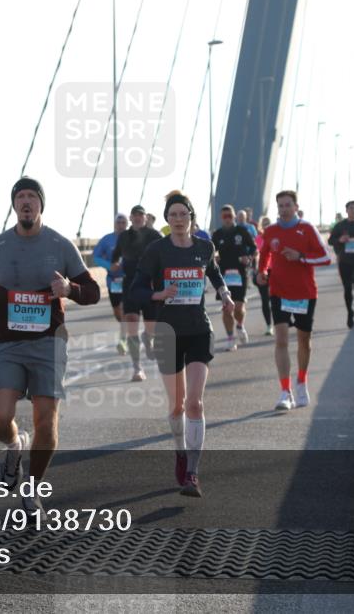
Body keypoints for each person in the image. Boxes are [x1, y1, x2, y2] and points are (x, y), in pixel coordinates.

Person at [0, 177, 101, 517]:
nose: (26, 202)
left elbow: (92, 292)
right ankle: (15, 444)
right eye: (21, 197)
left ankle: (32, 489)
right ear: (14, 205)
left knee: (46, 421)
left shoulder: (60, 245)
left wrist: (69, 289)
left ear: (41, 205)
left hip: (48, 343)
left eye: (32, 197)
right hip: (9, 344)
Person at [130, 191, 234, 497]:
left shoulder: (205, 246)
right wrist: (158, 295)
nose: (178, 220)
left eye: (183, 214)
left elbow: (214, 274)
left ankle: (192, 472)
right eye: (172, 215)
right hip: (168, 333)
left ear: (191, 217)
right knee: (176, 405)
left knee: (194, 403)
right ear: (166, 219)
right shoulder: (156, 250)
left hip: (199, 329)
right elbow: (136, 289)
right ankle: (179, 449)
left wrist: (224, 293)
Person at [256, 191, 331, 410]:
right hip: (278, 291)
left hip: (304, 293)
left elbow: (326, 257)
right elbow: (264, 254)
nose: (284, 209)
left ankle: (301, 381)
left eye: (288, 205)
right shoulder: (270, 231)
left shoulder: (307, 229)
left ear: (296, 206)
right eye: (280, 206)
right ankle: (285, 391)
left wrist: (301, 257)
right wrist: (261, 273)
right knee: (281, 341)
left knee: (304, 341)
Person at [111, 205, 163, 381]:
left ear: (145, 218)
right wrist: (115, 264)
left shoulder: (154, 236)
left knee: (151, 327)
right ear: (131, 218)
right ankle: (137, 368)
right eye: (136, 215)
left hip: (150, 286)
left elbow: (165, 255)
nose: (139, 218)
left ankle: (148, 339)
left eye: (142, 215)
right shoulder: (124, 236)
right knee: (132, 321)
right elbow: (115, 255)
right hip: (131, 286)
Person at [211, 204, 256, 350]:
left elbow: (254, 248)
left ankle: (240, 325)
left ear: (234, 216)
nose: (227, 219)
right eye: (224, 216)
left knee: (238, 307)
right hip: (223, 275)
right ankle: (230, 338)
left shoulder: (242, 231)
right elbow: (210, 253)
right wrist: (214, 258)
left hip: (240, 273)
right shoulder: (217, 234)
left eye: (230, 216)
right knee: (226, 309)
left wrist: (248, 258)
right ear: (221, 218)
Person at [328, 201, 354, 329]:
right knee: (347, 289)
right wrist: (340, 240)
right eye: (351, 208)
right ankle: (349, 313)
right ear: (346, 210)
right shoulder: (340, 226)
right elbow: (330, 240)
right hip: (345, 261)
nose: (353, 210)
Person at [93, 213, 129, 354]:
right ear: (114, 224)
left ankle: (123, 339)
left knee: (124, 309)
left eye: (123, 222)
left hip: (129, 279)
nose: (121, 224)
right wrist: (109, 266)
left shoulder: (132, 238)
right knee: (117, 312)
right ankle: (125, 329)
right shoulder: (107, 240)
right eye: (118, 222)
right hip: (113, 281)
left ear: (127, 224)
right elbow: (95, 256)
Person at [252, 216, 274, 336]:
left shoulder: (276, 237)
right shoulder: (258, 239)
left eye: (268, 223)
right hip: (262, 271)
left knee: (276, 298)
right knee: (265, 299)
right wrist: (256, 270)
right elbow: (255, 254)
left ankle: (281, 321)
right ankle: (269, 326)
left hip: (275, 271)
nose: (266, 225)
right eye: (264, 223)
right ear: (261, 226)